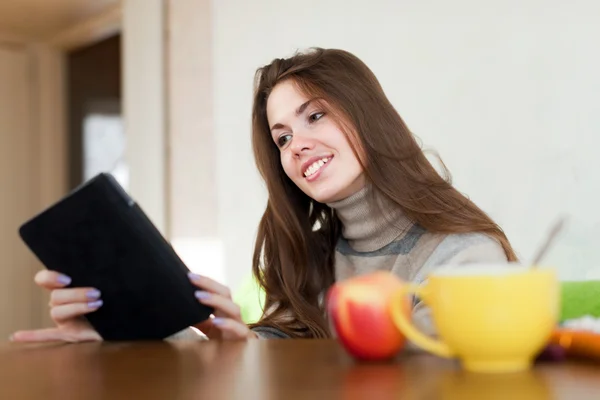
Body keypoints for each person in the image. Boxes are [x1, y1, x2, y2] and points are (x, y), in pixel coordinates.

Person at [10, 47, 517, 343]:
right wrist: (143, 333)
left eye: (314, 115)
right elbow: (281, 369)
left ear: (369, 116)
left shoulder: (460, 253)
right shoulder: (310, 259)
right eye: (282, 137)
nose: (298, 145)